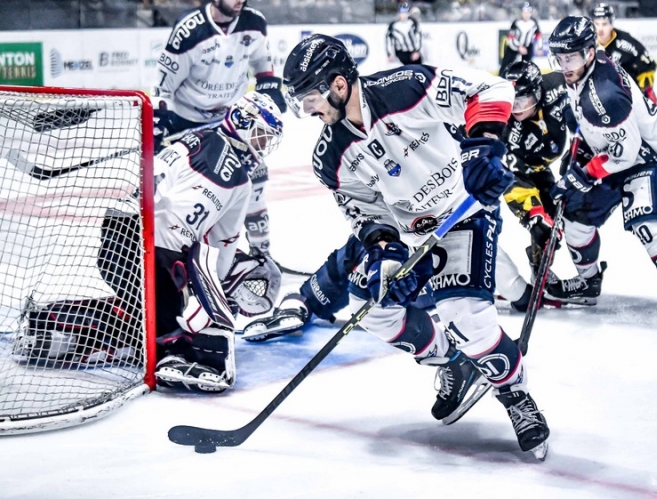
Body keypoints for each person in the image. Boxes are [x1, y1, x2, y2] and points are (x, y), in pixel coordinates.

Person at [281, 34, 549, 455]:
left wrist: (482, 148)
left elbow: (491, 89)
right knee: (372, 310)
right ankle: (455, 364)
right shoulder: (328, 157)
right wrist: (386, 252)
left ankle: (516, 396)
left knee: (469, 320)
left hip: (464, 210)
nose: (306, 108)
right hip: (411, 237)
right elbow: (364, 211)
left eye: (310, 96)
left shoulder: (403, 86)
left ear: (337, 85)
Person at [21, 92, 284, 393]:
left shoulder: (209, 153)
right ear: (243, 121)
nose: (263, 147)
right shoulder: (205, 150)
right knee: (174, 335)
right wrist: (214, 300)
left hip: (127, 241)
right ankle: (169, 353)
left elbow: (219, 241)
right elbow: (219, 246)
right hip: (144, 248)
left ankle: (47, 324)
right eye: (263, 135)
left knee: (145, 323)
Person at [546, 17, 657, 344]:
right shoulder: (583, 71)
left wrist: (583, 173)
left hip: (648, 156)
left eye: (572, 58)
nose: (565, 66)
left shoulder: (604, 95)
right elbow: (590, 129)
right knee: (576, 218)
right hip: (617, 150)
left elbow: (624, 154)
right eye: (560, 58)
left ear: (591, 53)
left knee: (649, 226)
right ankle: (589, 282)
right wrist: (578, 154)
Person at [152, 0, 287, 151]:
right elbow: (164, 86)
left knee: (247, 173)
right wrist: (157, 125)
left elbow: (262, 60)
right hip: (186, 120)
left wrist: (268, 86)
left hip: (233, 119)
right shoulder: (189, 30)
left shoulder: (254, 22)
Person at [500, 60, 569, 286]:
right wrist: (532, 216)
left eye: (523, 99)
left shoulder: (557, 86)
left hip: (539, 165)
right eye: (512, 100)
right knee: (543, 225)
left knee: (560, 220)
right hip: (516, 173)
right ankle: (537, 269)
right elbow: (512, 180)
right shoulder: (504, 128)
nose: (516, 108)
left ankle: (540, 267)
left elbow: (587, 80)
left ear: (538, 92)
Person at [591, 3, 657, 105]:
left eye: (604, 24)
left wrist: (647, 90)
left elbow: (648, 64)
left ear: (611, 24)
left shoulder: (625, 43)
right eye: (597, 24)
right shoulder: (589, 42)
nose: (600, 29)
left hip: (629, 97)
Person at [499, 2, 541, 76]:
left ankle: (526, 80)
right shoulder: (516, 22)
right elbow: (511, 37)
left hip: (528, 46)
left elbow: (538, 35)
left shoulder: (534, 23)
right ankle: (501, 78)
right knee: (506, 64)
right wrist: (519, 47)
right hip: (514, 46)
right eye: (524, 12)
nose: (526, 14)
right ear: (521, 13)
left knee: (527, 66)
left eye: (528, 12)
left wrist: (539, 48)